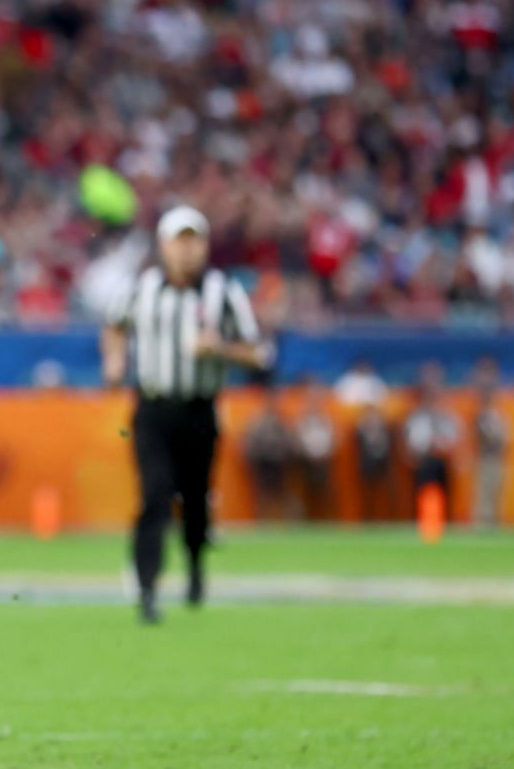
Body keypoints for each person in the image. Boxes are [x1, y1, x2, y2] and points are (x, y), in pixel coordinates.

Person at [102, 206, 270, 623]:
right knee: (154, 496)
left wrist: (221, 349)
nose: (187, 249)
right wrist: (115, 360)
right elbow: (114, 326)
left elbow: (258, 352)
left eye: (194, 240)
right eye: (180, 240)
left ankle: (195, 569)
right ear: (163, 245)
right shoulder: (140, 288)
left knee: (195, 500)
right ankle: (147, 590)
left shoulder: (224, 291)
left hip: (200, 408)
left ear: (206, 245)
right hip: (153, 408)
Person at [403, 366, 461, 518]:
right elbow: (411, 437)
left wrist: (443, 444)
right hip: (424, 459)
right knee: (423, 492)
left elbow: (453, 435)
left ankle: (444, 522)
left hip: (442, 459)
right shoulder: (416, 414)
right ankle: (423, 522)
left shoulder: (446, 413)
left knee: (443, 493)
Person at [242, 386, 296, 520]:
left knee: (282, 492)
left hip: (279, 463)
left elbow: (289, 441)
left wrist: (280, 450)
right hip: (263, 462)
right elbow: (249, 442)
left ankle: (289, 519)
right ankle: (262, 519)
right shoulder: (258, 422)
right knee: (262, 493)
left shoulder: (281, 421)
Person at [471, 359, 508, 527]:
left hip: (498, 457)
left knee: (496, 493)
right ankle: (483, 524)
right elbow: (484, 436)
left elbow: (503, 437)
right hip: (485, 457)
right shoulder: (481, 414)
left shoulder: (498, 413)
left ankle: (493, 523)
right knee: (484, 495)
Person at [294, 381, 337, 520]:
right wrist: (307, 453)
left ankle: (329, 518)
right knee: (306, 491)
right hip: (306, 460)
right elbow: (298, 438)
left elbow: (333, 438)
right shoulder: (302, 420)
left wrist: (325, 453)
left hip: (324, 460)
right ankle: (305, 519)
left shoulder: (326, 419)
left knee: (326, 491)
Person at [355, 401, 396, 521]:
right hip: (367, 464)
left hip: (384, 464)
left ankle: (389, 517)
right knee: (367, 490)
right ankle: (366, 517)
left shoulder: (384, 429)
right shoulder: (362, 429)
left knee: (389, 490)